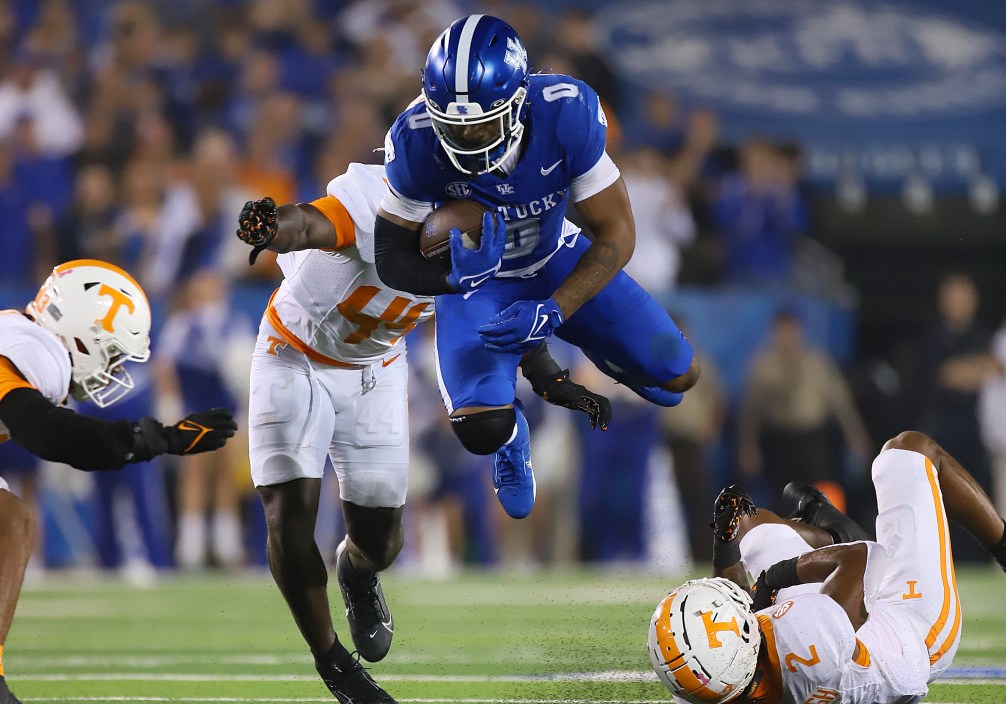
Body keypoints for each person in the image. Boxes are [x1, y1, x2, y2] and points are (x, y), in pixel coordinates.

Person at [235, 162, 612, 704]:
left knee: (382, 541)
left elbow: (495, 309)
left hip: (375, 368)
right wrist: (273, 227)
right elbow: (312, 223)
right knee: (288, 514)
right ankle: (333, 663)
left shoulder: (485, 225)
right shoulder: (375, 199)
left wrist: (552, 380)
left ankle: (357, 570)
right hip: (293, 354)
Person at [371, 14, 699, 520]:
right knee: (481, 427)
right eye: (454, 126)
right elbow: (389, 257)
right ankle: (510, 437)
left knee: (679, 376)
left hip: (553, 259)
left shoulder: (565, 114)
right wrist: (450, 279)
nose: (467, 141)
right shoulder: (415, 140)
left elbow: (618, 233)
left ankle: (600, 343)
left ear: (518, 102)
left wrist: (555, 310)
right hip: (476, 284)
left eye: (481, 122)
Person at [0, 259, 237, 704]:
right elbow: (50, 434)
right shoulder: (35, 353)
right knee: (9, 520)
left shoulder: (17, 335)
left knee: (7, 514)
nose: (111, 366)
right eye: (110, 350)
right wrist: (156, 439)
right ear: (78, 333)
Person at [649, 430, 1006, 704]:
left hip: (838, 624)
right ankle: (836, 536)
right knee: (908, 451)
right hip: (912, 630)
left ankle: (830, 535)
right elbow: (860, 561)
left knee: (748, 527)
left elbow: (735, 642)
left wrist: (724, 545)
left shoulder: (709, 680)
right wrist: (776, 576)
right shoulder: (805, 644)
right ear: (744, 641)